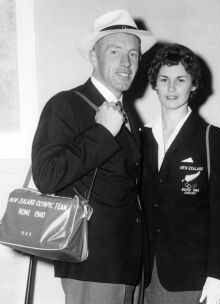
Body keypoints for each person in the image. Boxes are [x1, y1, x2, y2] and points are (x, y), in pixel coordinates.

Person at [31, 9, 156, 304]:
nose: (126, 63)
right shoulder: (65, 105)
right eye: (115, 51)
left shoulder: (129, 113)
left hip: (128, 263)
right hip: (92, 265)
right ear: (94, 56)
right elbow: (46, 176)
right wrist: (101, 133)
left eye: (134, 54)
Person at [140, 44, 220, 304]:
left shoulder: (211, 138)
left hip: (190, 276)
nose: (171, 88)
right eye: (164, 80)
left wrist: (217, 276)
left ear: (193, 85)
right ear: (155, 84)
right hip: (145, 274)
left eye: (180, 80)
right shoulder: (141, 138)